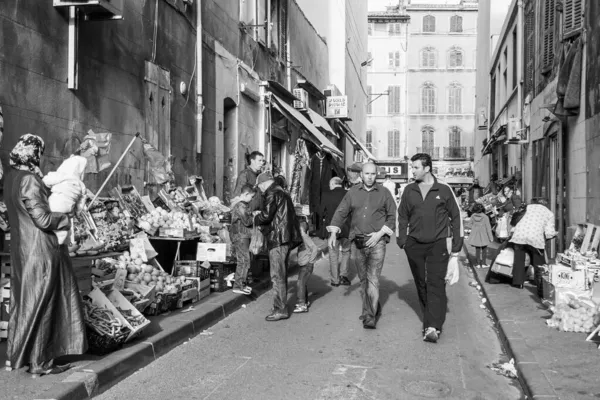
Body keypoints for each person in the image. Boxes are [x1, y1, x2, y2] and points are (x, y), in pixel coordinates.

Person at [4, 134, 87, 377]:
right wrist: (67, 218)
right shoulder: (29, 179)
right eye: (40, 153)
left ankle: (19, 356)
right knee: (46, 305)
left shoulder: (11, 178)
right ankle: (41, 362)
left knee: (25, 305)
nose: (41, 158)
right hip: (41, 251)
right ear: (34, 154)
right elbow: (42, 219)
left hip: (22, 251)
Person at [396, 153, 463, 343]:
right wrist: (402, 239)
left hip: (438, 244)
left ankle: (432, 326)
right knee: (421, 283)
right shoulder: (409, 190)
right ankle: (431, 317)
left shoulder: (444, 189)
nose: (413, 170)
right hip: (415, 244)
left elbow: (456, 217)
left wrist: (456, 247)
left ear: (427, 168)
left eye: (416, 167)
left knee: (435, 282)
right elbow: (402, 215)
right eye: (412, 167)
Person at [328, 163, 396, 329]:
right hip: (358, 242)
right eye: (367, 173)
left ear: (376, 175)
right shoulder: (352, 192)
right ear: (362, 175)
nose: (370, 177)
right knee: (364, 279)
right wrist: (333, 231)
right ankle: (370, 307)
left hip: (377, 241)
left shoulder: (384, 193)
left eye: (373, 174)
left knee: (373, 279)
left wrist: (380, 234)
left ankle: (370, 316)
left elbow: (393, 216)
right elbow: (341, 211)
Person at [254, 172, 302, 321]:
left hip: (278, 238)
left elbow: (267, 215)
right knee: (281, 273)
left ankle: (280, 308)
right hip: (285, 237)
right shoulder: (281, 191)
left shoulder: (272, 193)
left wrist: (255, 217)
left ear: (263, 184)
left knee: (277, 275)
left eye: (259, 187)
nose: (260, 190)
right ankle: (279, 305)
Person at [509, 198, 556, 293]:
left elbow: (516, 222)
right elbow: (549, 231)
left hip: (519, 235)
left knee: (519, 259)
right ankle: (540, 283)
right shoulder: (549, 213)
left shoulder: (527, 207)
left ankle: (518, 282)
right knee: (539, 261)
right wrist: (551, 235)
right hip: (536, 237)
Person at [42, 155, 88, 244]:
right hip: (69, 209)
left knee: (51, 227)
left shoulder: (61, 176)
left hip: (54, 205)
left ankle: (51, 244)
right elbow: (81, 202)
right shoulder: (80, 184)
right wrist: (77, 212)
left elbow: (46, 180)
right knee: (63, 229)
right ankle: (61, 244)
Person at [320, 177, 351, 286]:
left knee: (333, 253)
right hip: (347, 227)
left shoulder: (326, 195)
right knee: (346, 251)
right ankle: (343, 275)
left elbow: (321, 211)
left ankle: (335, 279)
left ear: (333, 184)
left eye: (330, 185)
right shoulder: (349, 194)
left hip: (332, 228)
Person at [229, 184, 257, 295]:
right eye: (251, 196)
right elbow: (247, 221)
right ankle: (238, 285)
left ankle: (242, 284)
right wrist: (254, 216)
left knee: (245, 260)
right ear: (246, 194)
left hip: (242, 235)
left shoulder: (242, 205)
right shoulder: (240, 206)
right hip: (240, 236)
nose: (252, 199)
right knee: (244, 260)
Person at [294, 218, 319, 313]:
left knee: (300, 283)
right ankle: (305, 301)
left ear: (301, 229)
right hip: (303, 265)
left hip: (306, 265)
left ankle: (301, 304)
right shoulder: (302, 238)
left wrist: (311, 261)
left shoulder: (305, 237)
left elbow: (314, 248)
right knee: (302, 283)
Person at [467, 203, 493, 268]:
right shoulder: (485, 217)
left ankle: (478, 263)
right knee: (484, 250)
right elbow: (488, 228)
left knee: (477, 249)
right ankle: (484, 263)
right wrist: (491, 238)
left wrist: (473, 227)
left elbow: (469, 225)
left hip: (476, 235)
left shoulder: (473, 216)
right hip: (484, 235)